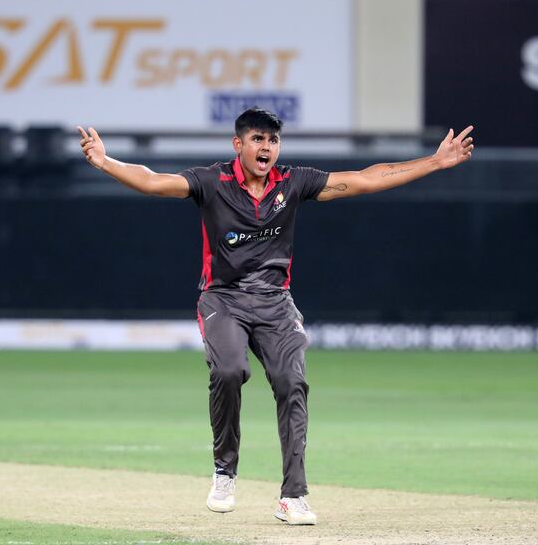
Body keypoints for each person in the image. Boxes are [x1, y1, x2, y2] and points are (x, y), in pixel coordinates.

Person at [78, 108, 474, 525]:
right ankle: (225, 470)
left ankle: (293, 496)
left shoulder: (293, 182)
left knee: (292, 382)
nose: (266, 148)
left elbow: (364, 178)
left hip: (275, 302)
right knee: (229, 371)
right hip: (223, 299)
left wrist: (434, 162)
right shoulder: (211, 182)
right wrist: (105, 162)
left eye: (273, 141)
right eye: (258, 140)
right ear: (239, 144)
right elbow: (155, 182)